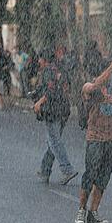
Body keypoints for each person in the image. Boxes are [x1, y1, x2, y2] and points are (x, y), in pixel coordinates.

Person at [75, 59, 112, 223]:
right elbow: (94, 86)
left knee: (103, 177)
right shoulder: (89, 87)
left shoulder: (111, 90)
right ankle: (82, 210)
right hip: (95, 139)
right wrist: (111, 68)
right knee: (90, 174)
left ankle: (94, 211)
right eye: (109, 72)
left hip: (111, 139)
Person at [34, 50, 78, 185]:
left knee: (54, 141)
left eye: (40, 59)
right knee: (52, 142)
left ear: (44, 59)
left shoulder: (48, 71)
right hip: (63, 109)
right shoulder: (61, 69)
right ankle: (45, 170)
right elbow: (66, 87)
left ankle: (67, 169)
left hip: (52, 110)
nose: (39, 61)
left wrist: (39, 102)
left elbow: (50, 89)